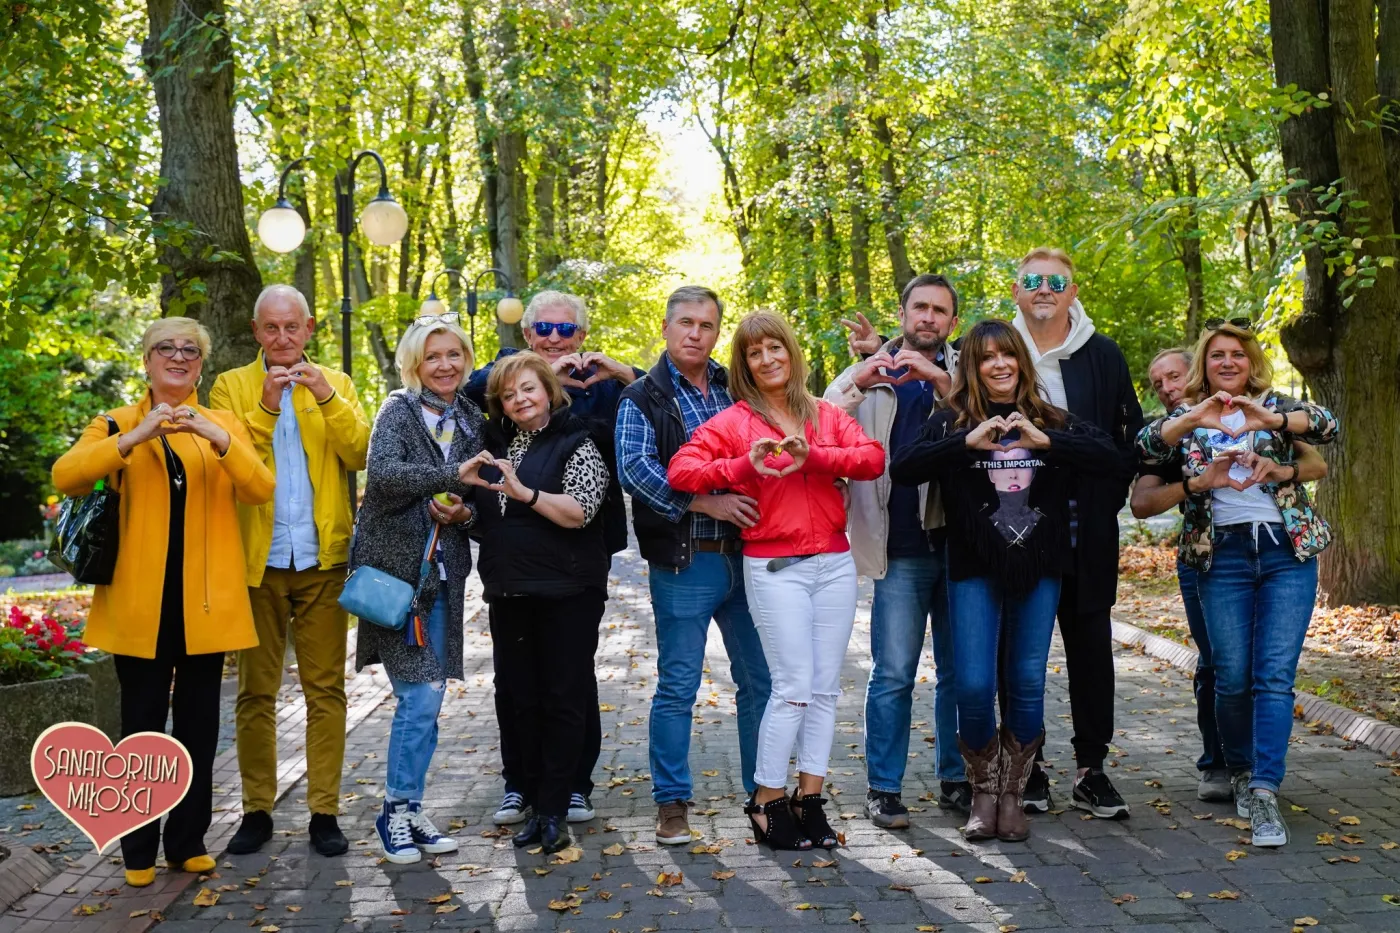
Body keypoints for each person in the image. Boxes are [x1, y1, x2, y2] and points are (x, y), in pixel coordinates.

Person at [52, 318, 275, 887]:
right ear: (147, 360)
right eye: (166, 349)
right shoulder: (116, 422)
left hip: (205, 608)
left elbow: (259, 488)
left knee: (200, 727)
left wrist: (218, 438)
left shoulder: (222, 422)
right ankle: (137, 849)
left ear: (201, 364)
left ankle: (188, 840)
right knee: (141, 726)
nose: (178, 357)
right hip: (139, 607)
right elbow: (66, 476)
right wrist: (133, 437)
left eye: (189, 351)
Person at [889, 320, 1119, 842]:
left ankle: (1013, 792)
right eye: (987, 356)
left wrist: (1049, 442)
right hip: (972, 566)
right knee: (972, 684)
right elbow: (902, 468)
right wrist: (964, 444)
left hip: (1039, 567)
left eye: (1008, 355)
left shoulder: (1050, 418)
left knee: (1026, 680)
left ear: (1021, 362)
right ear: (972, 365)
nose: (999, 365)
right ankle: (982, 789)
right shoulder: (950, 420)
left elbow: (1111, 458)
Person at [668, 312, 884, 851]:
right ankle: (766, 800)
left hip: (834, 564)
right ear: (744, 365)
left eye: (774, 348)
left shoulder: (826, 414)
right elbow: (682, 471)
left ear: (791, 352)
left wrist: (817, 458)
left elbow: (872, 459)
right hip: (773, 567)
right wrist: (742, 466)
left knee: (825, 690)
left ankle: (810, 798)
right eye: (754, 353)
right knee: (791, 688)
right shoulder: (736, 422)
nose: (767, 360)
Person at [1137, 319, 1338, 847]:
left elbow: (1327, 426)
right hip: (1221, 553)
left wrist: (1274, 447)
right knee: (1230, 676)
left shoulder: (1275, 406)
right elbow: (1144, 446)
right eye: (1218, 355)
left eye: (1238, 355)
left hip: (1283, 552)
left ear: (1252, 362)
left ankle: (1264, 788)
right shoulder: (1190, 414)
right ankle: (1242, 771)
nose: (1228, 363)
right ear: (1203, 363)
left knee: (1273, 675)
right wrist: (1197, 430)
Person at [211, 285, 370, 858]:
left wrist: (326, 395)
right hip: (257, 565)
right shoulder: (231, 385)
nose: (282, 339)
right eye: (271, 328)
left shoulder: (337, 382)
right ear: (256, 332)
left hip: (324, 560)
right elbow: (230, 457)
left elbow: (359, 453)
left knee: (325, 690)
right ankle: (257, 810)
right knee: (256, 692)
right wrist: (269, 405)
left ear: (309, 329)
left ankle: (323, 812)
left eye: (292, 327)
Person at [467, 290, 635, 826]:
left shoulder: (596, 412)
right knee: (515, 687)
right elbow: (473, 387)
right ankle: (523, 784)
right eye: (544, 329)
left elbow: (581, 509)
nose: (555, 337)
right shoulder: (497, 435)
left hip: (572, 573)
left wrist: (623, 370)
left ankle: (565, 790)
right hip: (510, 580)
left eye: (566, 331)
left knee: (567, 682)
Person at [615, 286, 772, 844]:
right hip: (686, 563)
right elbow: (635, 469)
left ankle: (765, 797)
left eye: (707, 326)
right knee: (678, 686)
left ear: (716, 333)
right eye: (685, 323)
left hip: (750, 558)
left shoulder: (739, 390)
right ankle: (673, 804)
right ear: (665, 327)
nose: (695, 334)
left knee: (761, 682)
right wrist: (702, 502)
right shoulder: (642, 396)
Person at [823, 273, 970, 828]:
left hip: (960, 546)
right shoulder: (872, 373)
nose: (929, 317)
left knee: (962, 672)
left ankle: (955, 778)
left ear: (952, 323)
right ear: (903, 313)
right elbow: (820, 420)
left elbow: (990, 417)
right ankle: (884, 787)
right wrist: (857, 376)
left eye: (940, 311)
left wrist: (941, 381)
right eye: (920, 308)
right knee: (893, 674)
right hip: (898, 547)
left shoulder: (966, 371)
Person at [1008, 246, 1143, 819]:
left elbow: (1128, 444)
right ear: (1017, 291)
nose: (1044, 289)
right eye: (1033, 280)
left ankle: (1092, 769)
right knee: (1019, 653)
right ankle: (1027, 765)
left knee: (1090, 651)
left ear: (1073, 291)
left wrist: (1105, 502)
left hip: (1086, 529)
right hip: (1012, 528)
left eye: (1056, 281)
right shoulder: (995, 350)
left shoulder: (1103, 355)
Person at [353, 316, 486, 864]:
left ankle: (409, 807)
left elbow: (483, 498)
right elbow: (382, 474)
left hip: (443, 577)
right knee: (419, 694)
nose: (445, 365)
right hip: (393, 577)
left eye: (454, 354)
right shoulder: (397, 410)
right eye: (434, 356)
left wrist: (463, 512)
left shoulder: (475, 420)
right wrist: (454, 478)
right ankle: (395, 811)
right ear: (415, 364)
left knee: (428, 699)